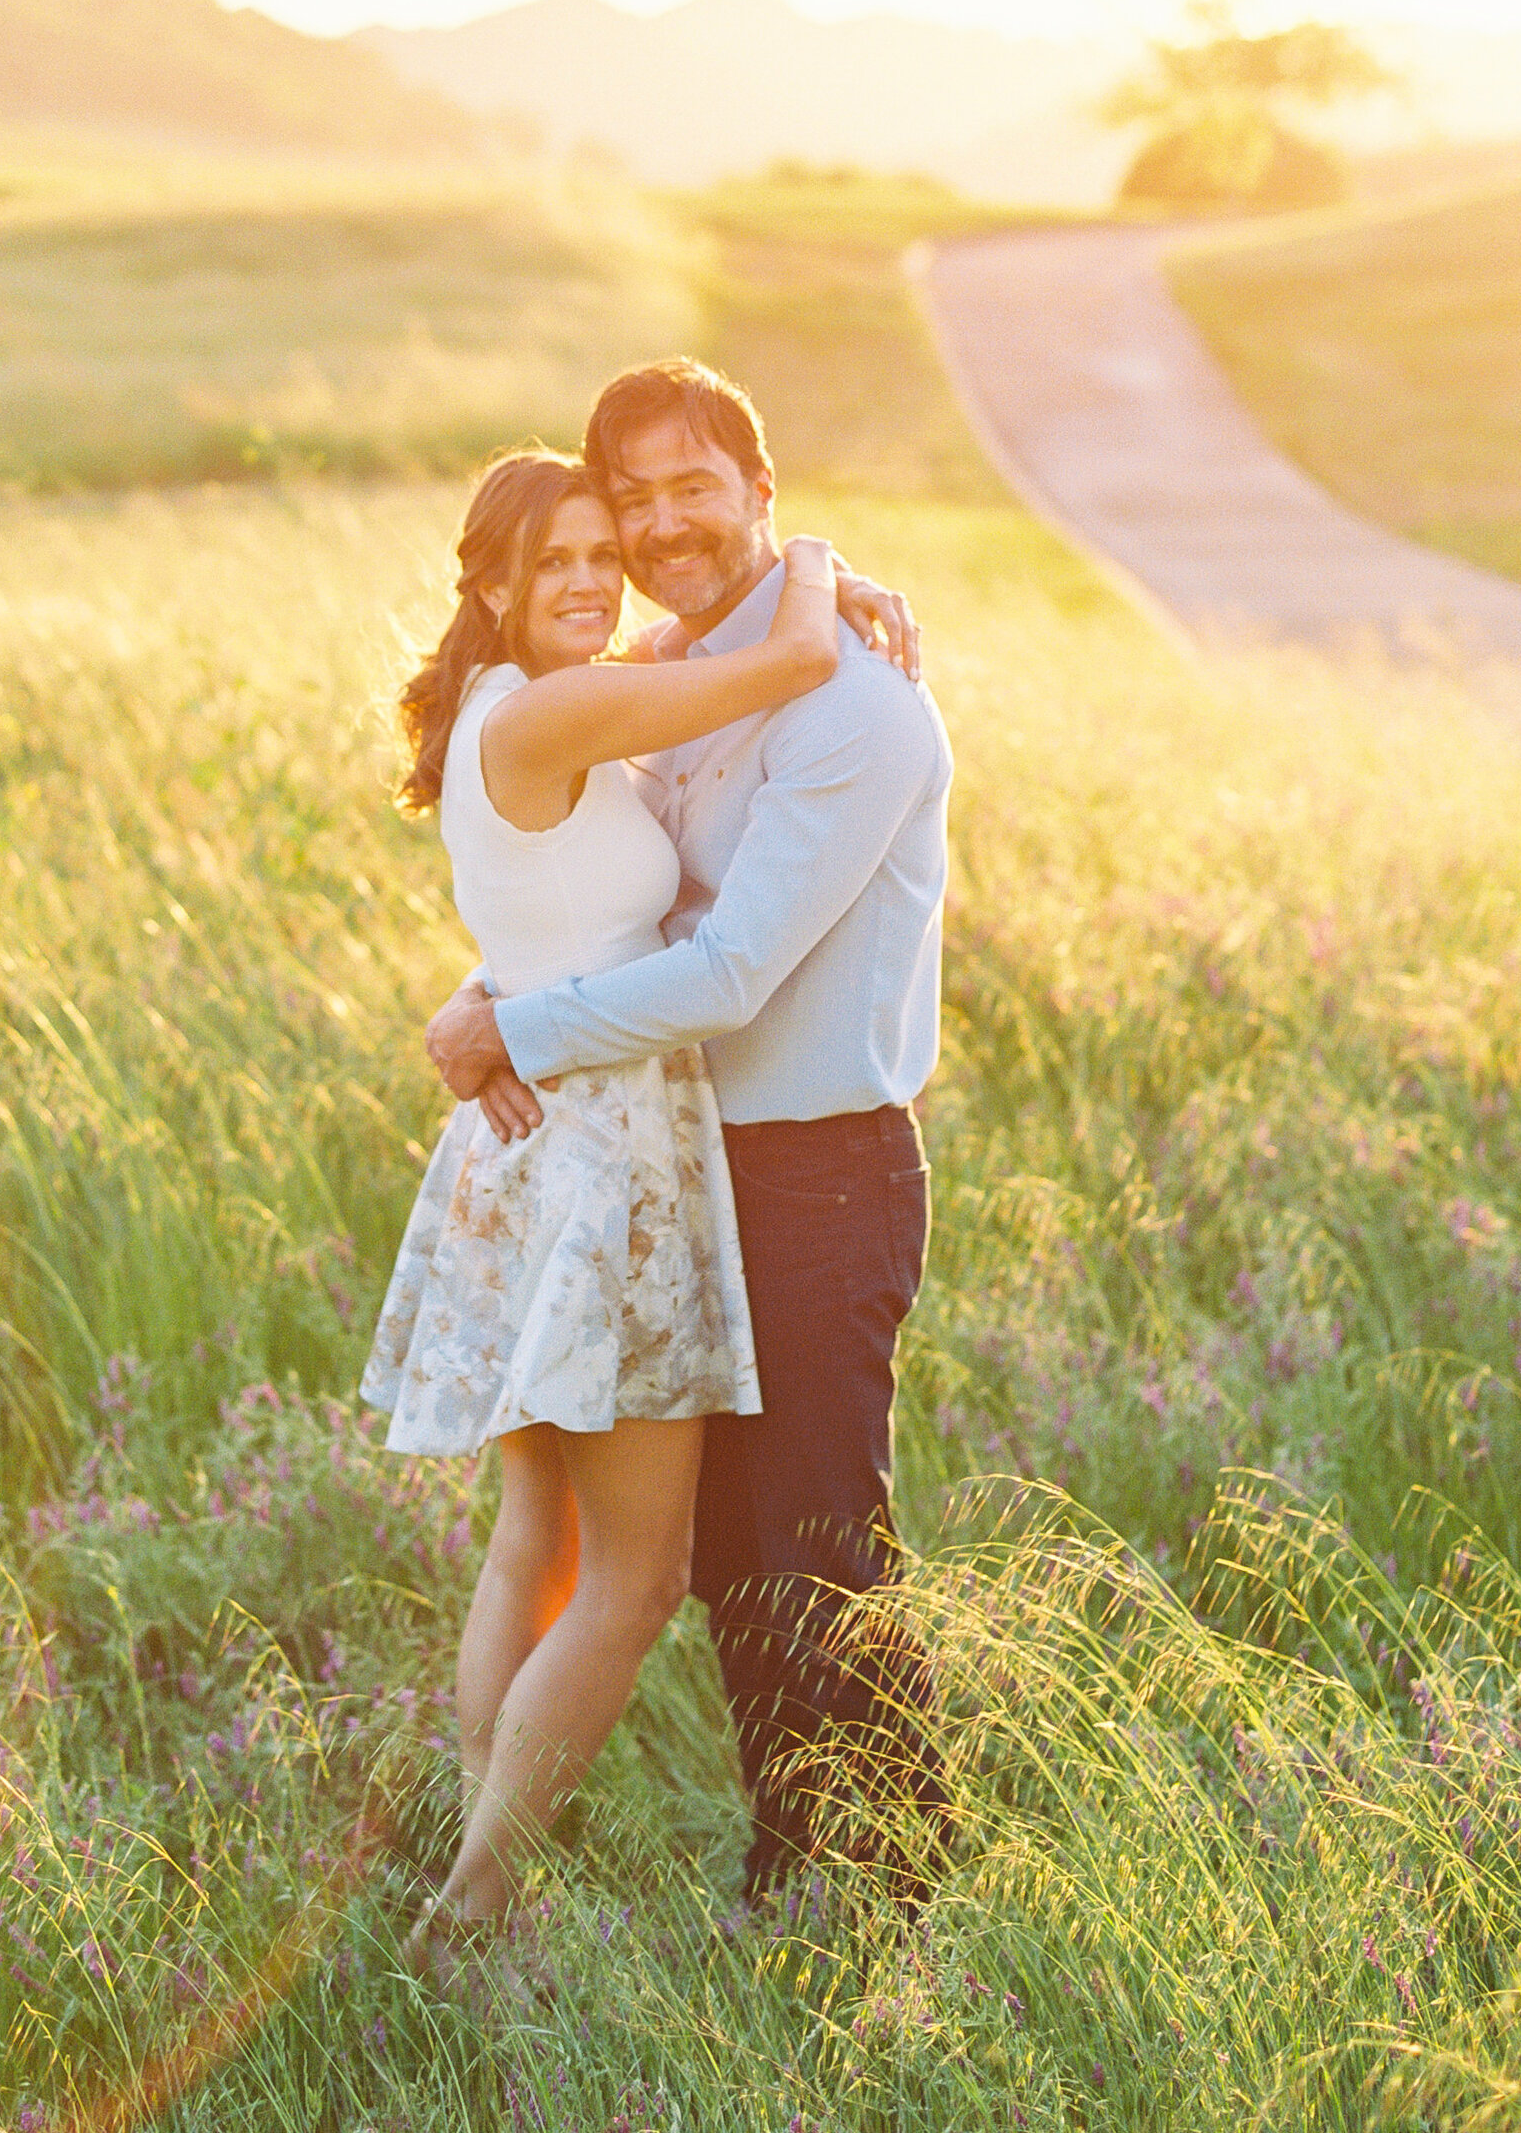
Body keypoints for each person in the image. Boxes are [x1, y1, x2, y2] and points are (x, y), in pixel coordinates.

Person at [359, 444, 914, 1965]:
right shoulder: (554, 710)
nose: (597, 581)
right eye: (556, 564)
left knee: (532, 1534)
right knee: (639, 1575)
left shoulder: (519, 706)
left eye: (605, 553)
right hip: (604, 1159)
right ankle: (470, 1914)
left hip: (534, 1150)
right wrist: (824, 570)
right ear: (489, 585)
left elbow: (688, 657)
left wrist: (493, 996)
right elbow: (787, 655)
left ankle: (486, 1866)